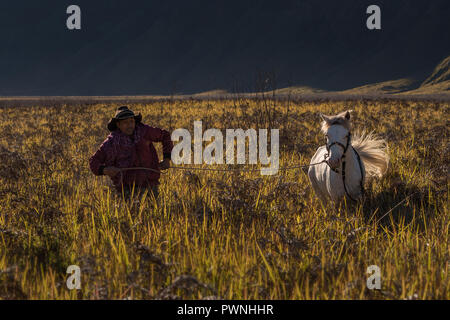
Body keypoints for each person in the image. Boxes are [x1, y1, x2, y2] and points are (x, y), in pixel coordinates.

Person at [89, 106, 173, 201]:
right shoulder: (111, 143)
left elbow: (165, 135)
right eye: (125, 122)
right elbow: (93, 162)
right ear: (118, 124)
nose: (130, 125)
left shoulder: (144, 131)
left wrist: (166, 159)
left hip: (150, 185)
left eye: (131, 121)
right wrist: (104, 170)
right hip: (125, 190)